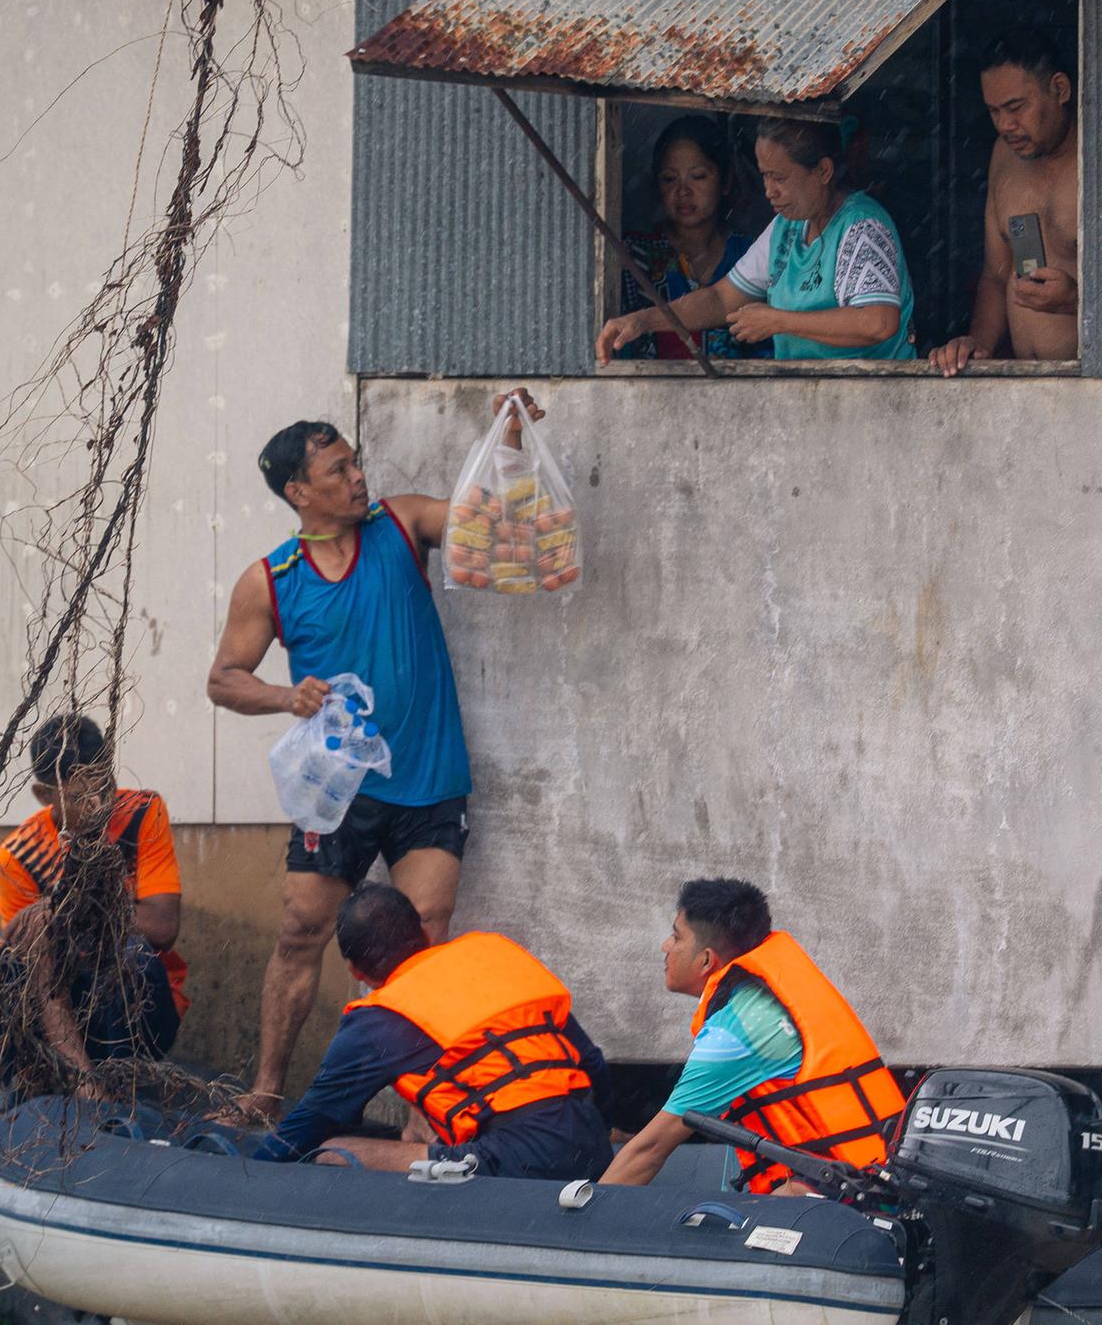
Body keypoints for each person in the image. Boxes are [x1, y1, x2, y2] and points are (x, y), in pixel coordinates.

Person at [205, 391, 541, 1123]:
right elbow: (223, 680)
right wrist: (281, 698)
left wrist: (507, 439)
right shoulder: (272, 578)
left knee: (425, 935)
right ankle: (264, 1093)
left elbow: (480, 513)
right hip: (339, 791)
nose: (358, 476)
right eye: (338, 469)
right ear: (300, 492)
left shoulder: (400, 523)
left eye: (355, 462)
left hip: (428, 779)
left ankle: (424, 1117)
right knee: (301, 930)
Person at [252, 884, 615, 1180]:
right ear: (424, 935)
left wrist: (246, 1171)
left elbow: (309, 1124)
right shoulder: (493, 954)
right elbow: (593, 1064)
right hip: (591, 1140)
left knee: (333, 1153)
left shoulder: (377, 1018)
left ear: (356, 972)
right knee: (415, 1132)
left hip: (515, 1158)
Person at [599, 878, 906, 1193]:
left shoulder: (737, 1033)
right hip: (880, 1179)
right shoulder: (776, 994)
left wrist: (584, 1221)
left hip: (855, 1195)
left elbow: (649, 1151)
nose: (666, 946)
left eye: (676, 937)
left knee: (773, 1205)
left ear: (706, 960)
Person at [0, 713, 186, 1094]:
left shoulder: (143, 812)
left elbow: (162, 927)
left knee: (133, 953)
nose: (98, 804)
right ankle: (23, 1086)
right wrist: (77, 1070)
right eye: (80, 796)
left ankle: (124, 1087)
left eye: (106, 786)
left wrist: (67, 911)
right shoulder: (19, 855)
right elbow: (38, 977)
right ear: (46, 795)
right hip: (58, 1010)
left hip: (136, 1014)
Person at [596, 118, 917, 363]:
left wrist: (778, 321)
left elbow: (878, 321)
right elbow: (721, 299)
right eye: (765, 175)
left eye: (780, 177)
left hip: (874, 404)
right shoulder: (785, 229)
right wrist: (644, 320)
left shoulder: (861, 226)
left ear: (823, 171)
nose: (769, 191)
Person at [931, 29, 1080, 375]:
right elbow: (997, 275)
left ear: (1060, 89)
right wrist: (977, 343)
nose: (1004, 125)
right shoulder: (1004, 154)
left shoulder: (1101, 155)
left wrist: (1077, 301)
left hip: (1096, 386)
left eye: (1016, 107)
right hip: (1019, 382)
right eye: (994, 111)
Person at [616, 115, 768, 362]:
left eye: (697, 176)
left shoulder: (750, 255)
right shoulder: (634, 257)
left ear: (726, 180)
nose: (683, 191)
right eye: (669, 179)